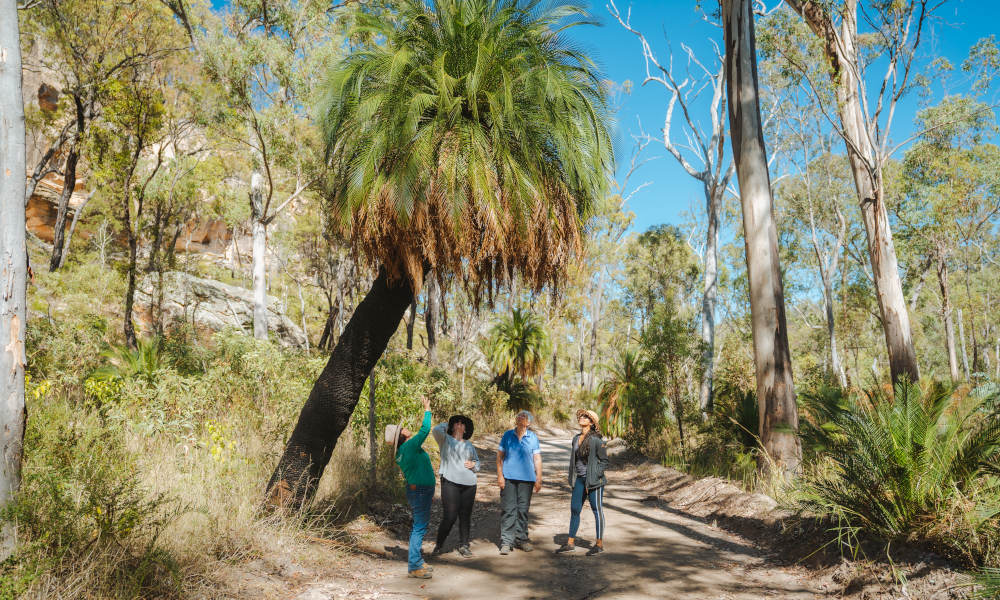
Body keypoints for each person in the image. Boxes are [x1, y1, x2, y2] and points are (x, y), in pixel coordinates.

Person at [385, 395, 435, 578]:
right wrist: (427, 409)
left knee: (419, 526)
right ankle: (414, 566)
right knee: (419, 527)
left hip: (419, 489)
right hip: (420, 490)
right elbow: (425, 429)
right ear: (402, 435)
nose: (406, 428)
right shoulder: (410, 446)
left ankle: (417, 561)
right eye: (403, 429)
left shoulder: (403, 451)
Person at [555, 409, 608, 556]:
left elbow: (604, 462)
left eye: (586, 417)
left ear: (591, 423)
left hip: (594, 481)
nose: (582, 418)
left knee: (597, 511)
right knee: (575, 509)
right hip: (579, 479)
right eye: (582, 416)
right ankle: (570, 543)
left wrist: (593, 477)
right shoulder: (575, 438)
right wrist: (572, 478)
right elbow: (574, 461)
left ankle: (599, 544)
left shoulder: (597, 440)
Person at [431, 415, 480, 558]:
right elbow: (436, 430)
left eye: (462, 424)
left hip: (469, 484)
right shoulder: (445, 440)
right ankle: (439, 544)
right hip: (450, 482)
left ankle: (464, 545)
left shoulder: (469, 445)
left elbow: (477, 463)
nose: (459, 425)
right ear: (452, 427)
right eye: (457, 423)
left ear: (466, 429)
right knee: (450, 516)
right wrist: (450, 423)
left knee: (465, 516)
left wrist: (474, 465)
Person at [496, 410, 542, 555]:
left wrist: (539, 477)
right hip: (509, 477)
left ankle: (521, 539)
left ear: (529, 422)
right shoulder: (507, 435)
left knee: (522, 510)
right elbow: (499, 457)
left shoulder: (533, 437)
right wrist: (500, 476)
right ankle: (506, 542)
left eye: (524, 416)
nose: (520, 417)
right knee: (508, 509)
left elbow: (537, 459)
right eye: (519, 415)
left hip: (527, 479)